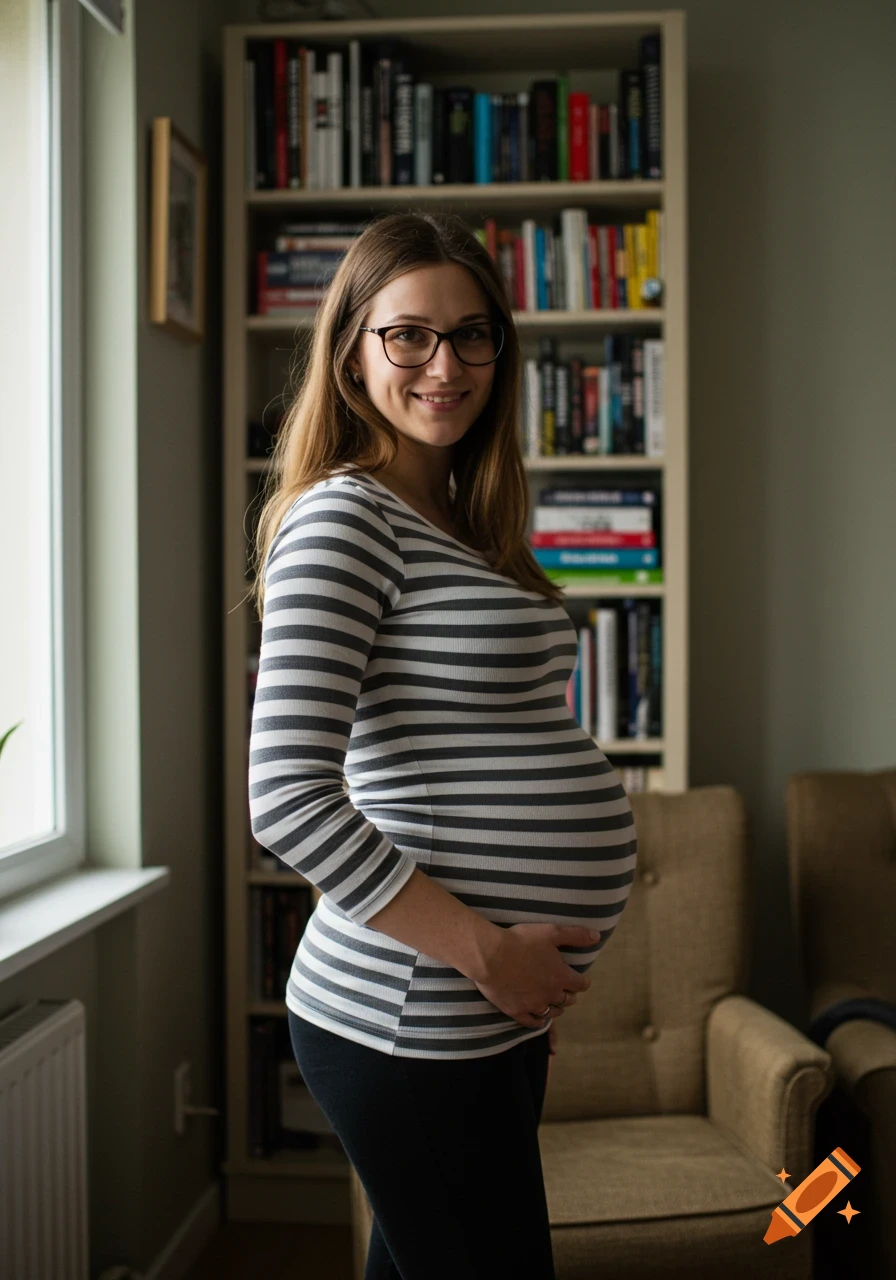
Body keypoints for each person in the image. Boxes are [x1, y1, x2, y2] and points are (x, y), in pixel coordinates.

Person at [248, 210, 638, 1279]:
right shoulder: (345, 517)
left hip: (479, 1010)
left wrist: (514, 985)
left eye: (473, 335)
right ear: (352, 350)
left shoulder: (461, 520)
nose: (444, 363)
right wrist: (488, 953)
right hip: (408, 1006)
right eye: (408, 334)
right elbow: (286, 796)